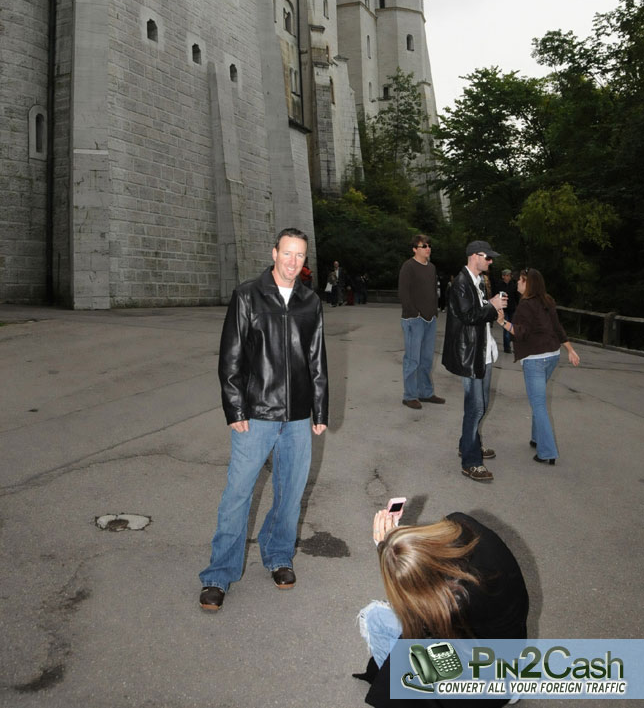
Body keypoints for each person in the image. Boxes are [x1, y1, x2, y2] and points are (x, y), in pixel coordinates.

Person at [198, 228, 329, 611]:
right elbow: (231, 358)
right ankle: (218, 575)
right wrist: (235, 408)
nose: (293, 261)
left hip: (299, 415)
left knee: (290, 495)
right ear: (274, 253)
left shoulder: (310, 301)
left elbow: (317, 359)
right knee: (238, 495)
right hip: (256, 414)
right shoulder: (247, 295)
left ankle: (278, 556)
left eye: (300, 256)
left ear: (305, 261)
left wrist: (319, 410)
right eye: (287, 253)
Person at [355, 507, 529, 707]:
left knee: (374, 618)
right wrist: (400, 541)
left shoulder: (453, 603)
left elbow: (420, 632)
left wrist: (384, 551)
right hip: (507, 649)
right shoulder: (462, 524)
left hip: (477, 677)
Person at [498, 268, 580, 465]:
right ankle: (537, 438)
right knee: (539, 399)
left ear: (528, 283)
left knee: (538, 404)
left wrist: (502, 322)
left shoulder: (525, 305)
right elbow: (557, 327)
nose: (517, 282)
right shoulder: (547, 301)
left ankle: (547, 452)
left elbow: (521, 333)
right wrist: (570, 349)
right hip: (552, 356)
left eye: (520, 280)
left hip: (535, 359)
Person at [442, 240, 506, 481]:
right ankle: (470, 461)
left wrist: (492, 308)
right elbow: (469, 316)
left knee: (481, 403)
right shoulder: (460, 284)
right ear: (473, 256)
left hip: (483, 352)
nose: (490, 261)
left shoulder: (478, 281)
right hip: (469, 355)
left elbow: (478, 315)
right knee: (475, 406)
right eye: (486, 257)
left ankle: (467, 443)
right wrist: (492, 305)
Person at [397, 235, 444, 409]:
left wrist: (434, 310)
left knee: (426, 359)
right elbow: (403, 293)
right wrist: (414, 313)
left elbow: (433, 291)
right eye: (423, 246)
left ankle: (425, 393)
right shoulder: (408, 266)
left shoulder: (431, 267)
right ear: (414, 249)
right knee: (412, 359)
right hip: (414, 320)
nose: (427, 248)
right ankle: (409, 396)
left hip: (430, 319)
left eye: (429, 245)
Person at [500, 268, 518, 353]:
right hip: (504, 309)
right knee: (506, 328)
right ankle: (507, 347)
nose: (508, 277)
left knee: (513, 328)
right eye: (506, 275)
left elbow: (516, 296)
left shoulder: (513, 285)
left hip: (512, 309)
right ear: (503, 276)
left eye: (509, 275)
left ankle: (515, 346)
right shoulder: (500, 285)